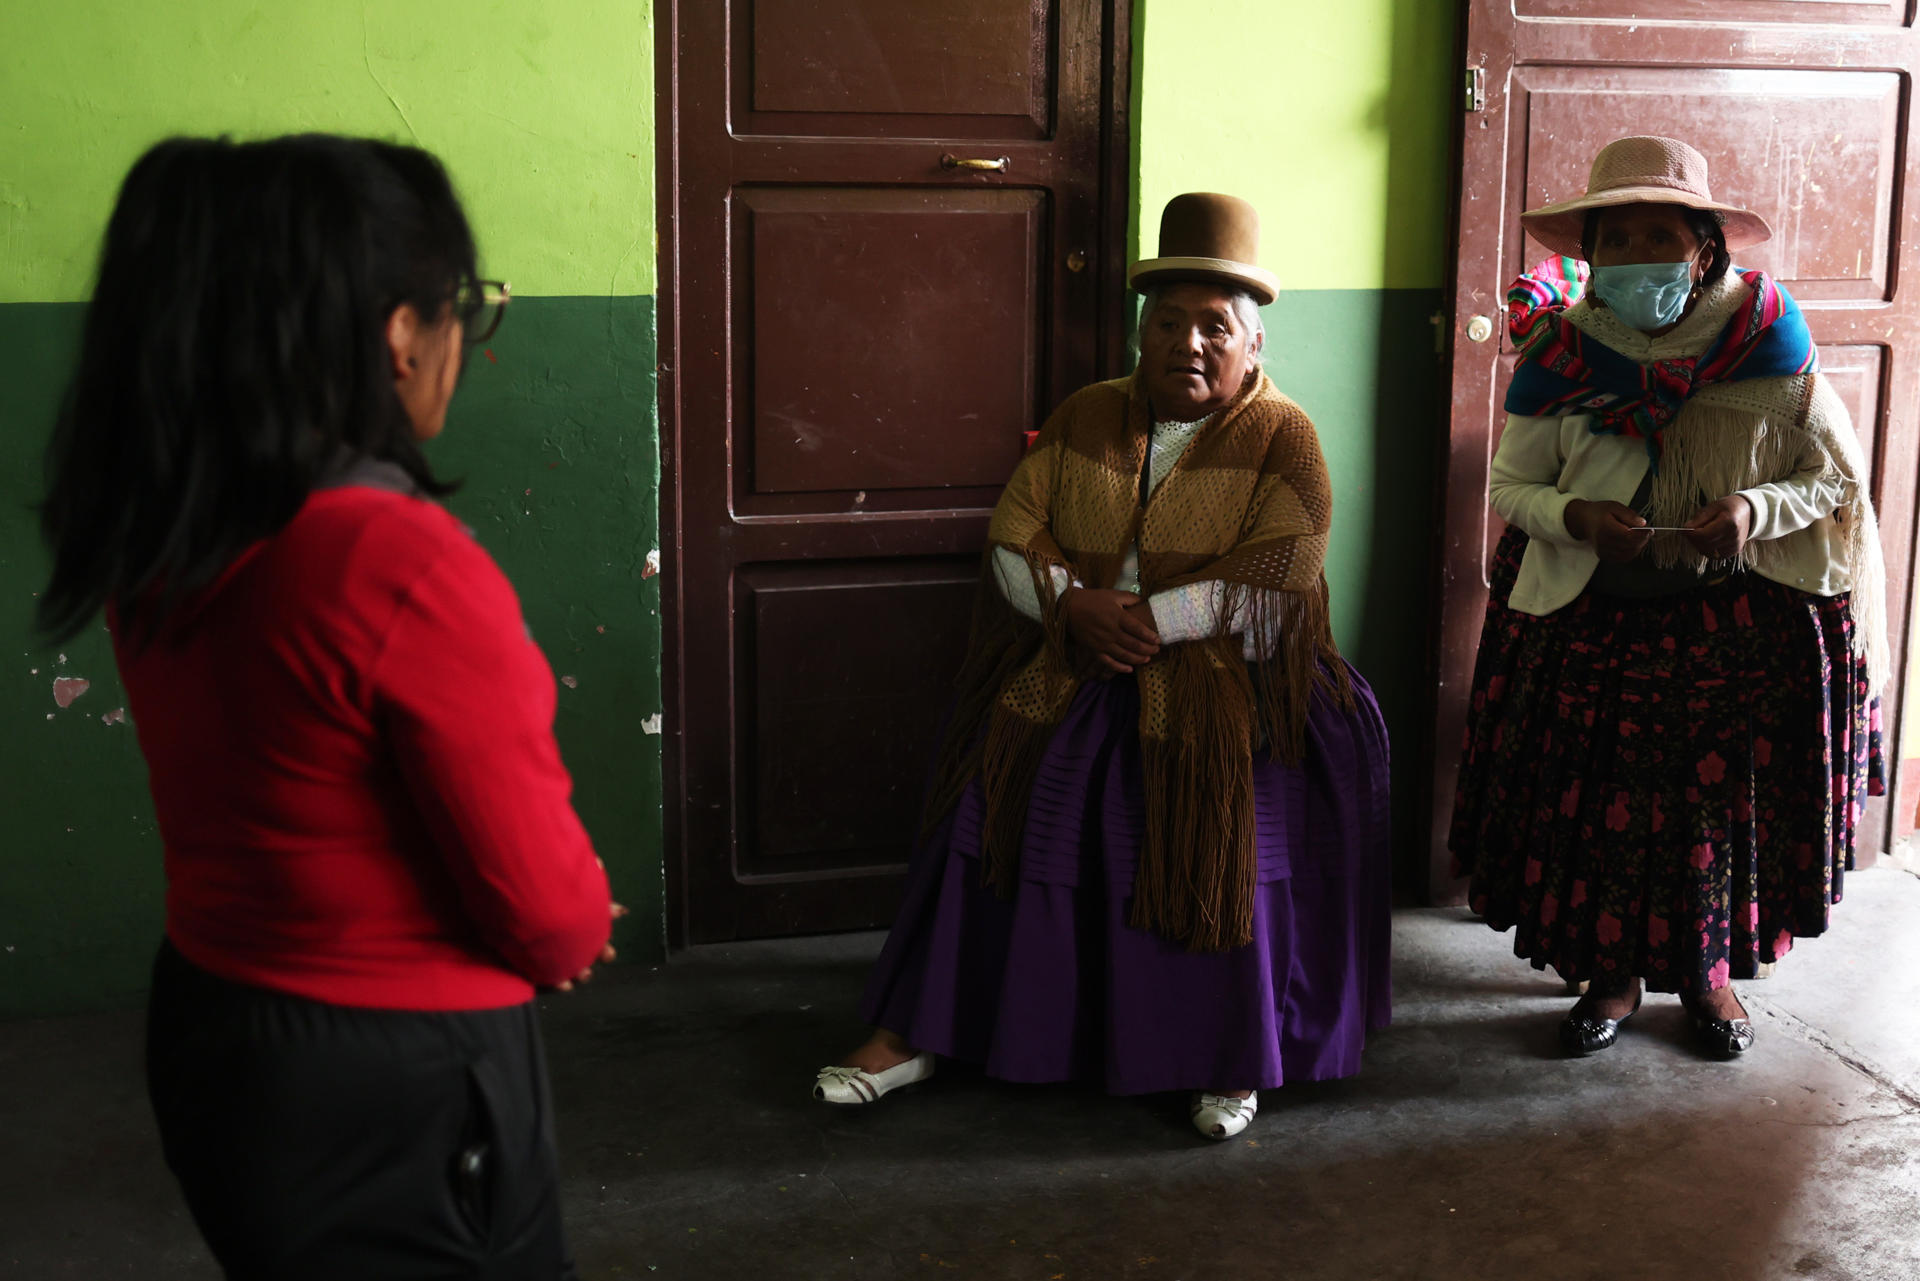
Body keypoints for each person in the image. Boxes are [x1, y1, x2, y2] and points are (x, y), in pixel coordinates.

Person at [36, 135, 618, 1278]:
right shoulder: (395, 559)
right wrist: (581, 924)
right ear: (401, 333)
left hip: (218, 1025)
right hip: (398, 1071)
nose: (465, 333)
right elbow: (552, 918)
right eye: (461, 303)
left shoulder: (168, 530)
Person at [812, 193, 1393, 1140]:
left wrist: (1150, 620)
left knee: (1220, 833)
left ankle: (1229, 1056)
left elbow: (1284, 575)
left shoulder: (1286, 437)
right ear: (1141, 331)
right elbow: (1015, 530)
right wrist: (1071, 605)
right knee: (986, 803)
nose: (1189, 344)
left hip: (1232, 679)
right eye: (1169, 322)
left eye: (1216, 326)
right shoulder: (1087, 415)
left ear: (1254, 345)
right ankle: (919, 1029)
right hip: (1082, 654)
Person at [1449, 136, 1888, 1060]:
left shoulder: (1770, 340)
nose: (1639, 255)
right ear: (1591, 254)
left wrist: (1751, 506)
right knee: (1604, 807)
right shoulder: (1563, 349)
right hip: (1595, 623)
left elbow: (1829, 479)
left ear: (1704, 248)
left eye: (1662, 234)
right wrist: (1572, 516)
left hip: (1733, 629)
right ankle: (1609, 978)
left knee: (1711, 817)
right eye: (1617, 238)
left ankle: (1708, 978)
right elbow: (1510, 487)